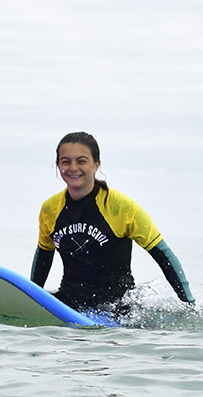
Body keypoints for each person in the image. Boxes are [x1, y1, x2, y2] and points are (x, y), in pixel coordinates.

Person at [31, 131, 193, 313]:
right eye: (65, 161)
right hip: (71, 303)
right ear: (58, 165)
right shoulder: (50, 208)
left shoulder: (120, 206)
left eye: (81, 161)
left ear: (96, 164)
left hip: (117, 310)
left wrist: (188, 304)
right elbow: (44, 257)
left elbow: (163, 255)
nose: (73, 167)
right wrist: (31, 298)